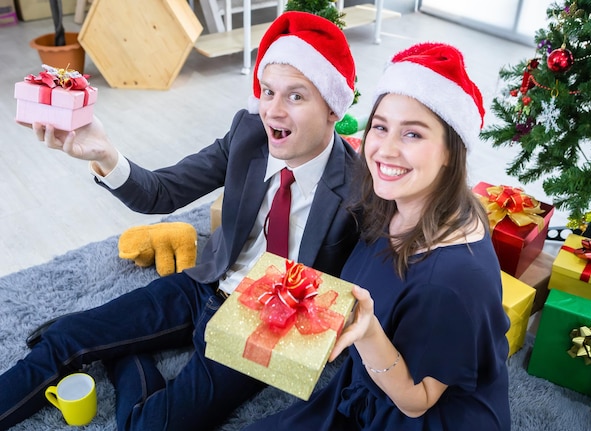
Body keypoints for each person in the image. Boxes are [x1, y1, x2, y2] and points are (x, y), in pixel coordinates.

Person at [1, 11, 360, 431]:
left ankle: (124, 352)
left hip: (266, 325)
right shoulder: (247, 134)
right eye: (267, 91)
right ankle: (112, 343)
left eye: (295, 97)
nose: (273, 111)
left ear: (334, 108)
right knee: (64, 336)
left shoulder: (359, 187)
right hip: (207, 283)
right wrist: (103, 154)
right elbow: (162, 191)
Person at [242, 42, 512, 431]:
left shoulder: (452, 282)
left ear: (451, 151)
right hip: (367, 383)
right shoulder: (397, 201)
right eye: (381, 127)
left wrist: (367, 333)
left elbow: (416, 402)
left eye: (413, 135)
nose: (385, 150)